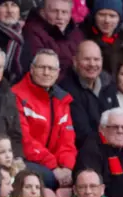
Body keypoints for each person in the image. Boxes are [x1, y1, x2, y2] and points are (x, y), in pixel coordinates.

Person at [12, 49, 76, 189]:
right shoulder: (17, 96)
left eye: (51, 69)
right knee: (49, 178)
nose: (46, 73)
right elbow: (25, 141)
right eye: (42, 67)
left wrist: (67, 168)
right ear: (32, 69)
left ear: (58, 72)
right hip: (27, 161)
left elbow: (67, 141)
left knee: (83, 178)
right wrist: (54, 168)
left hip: (55, 166)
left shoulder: (62, 99)